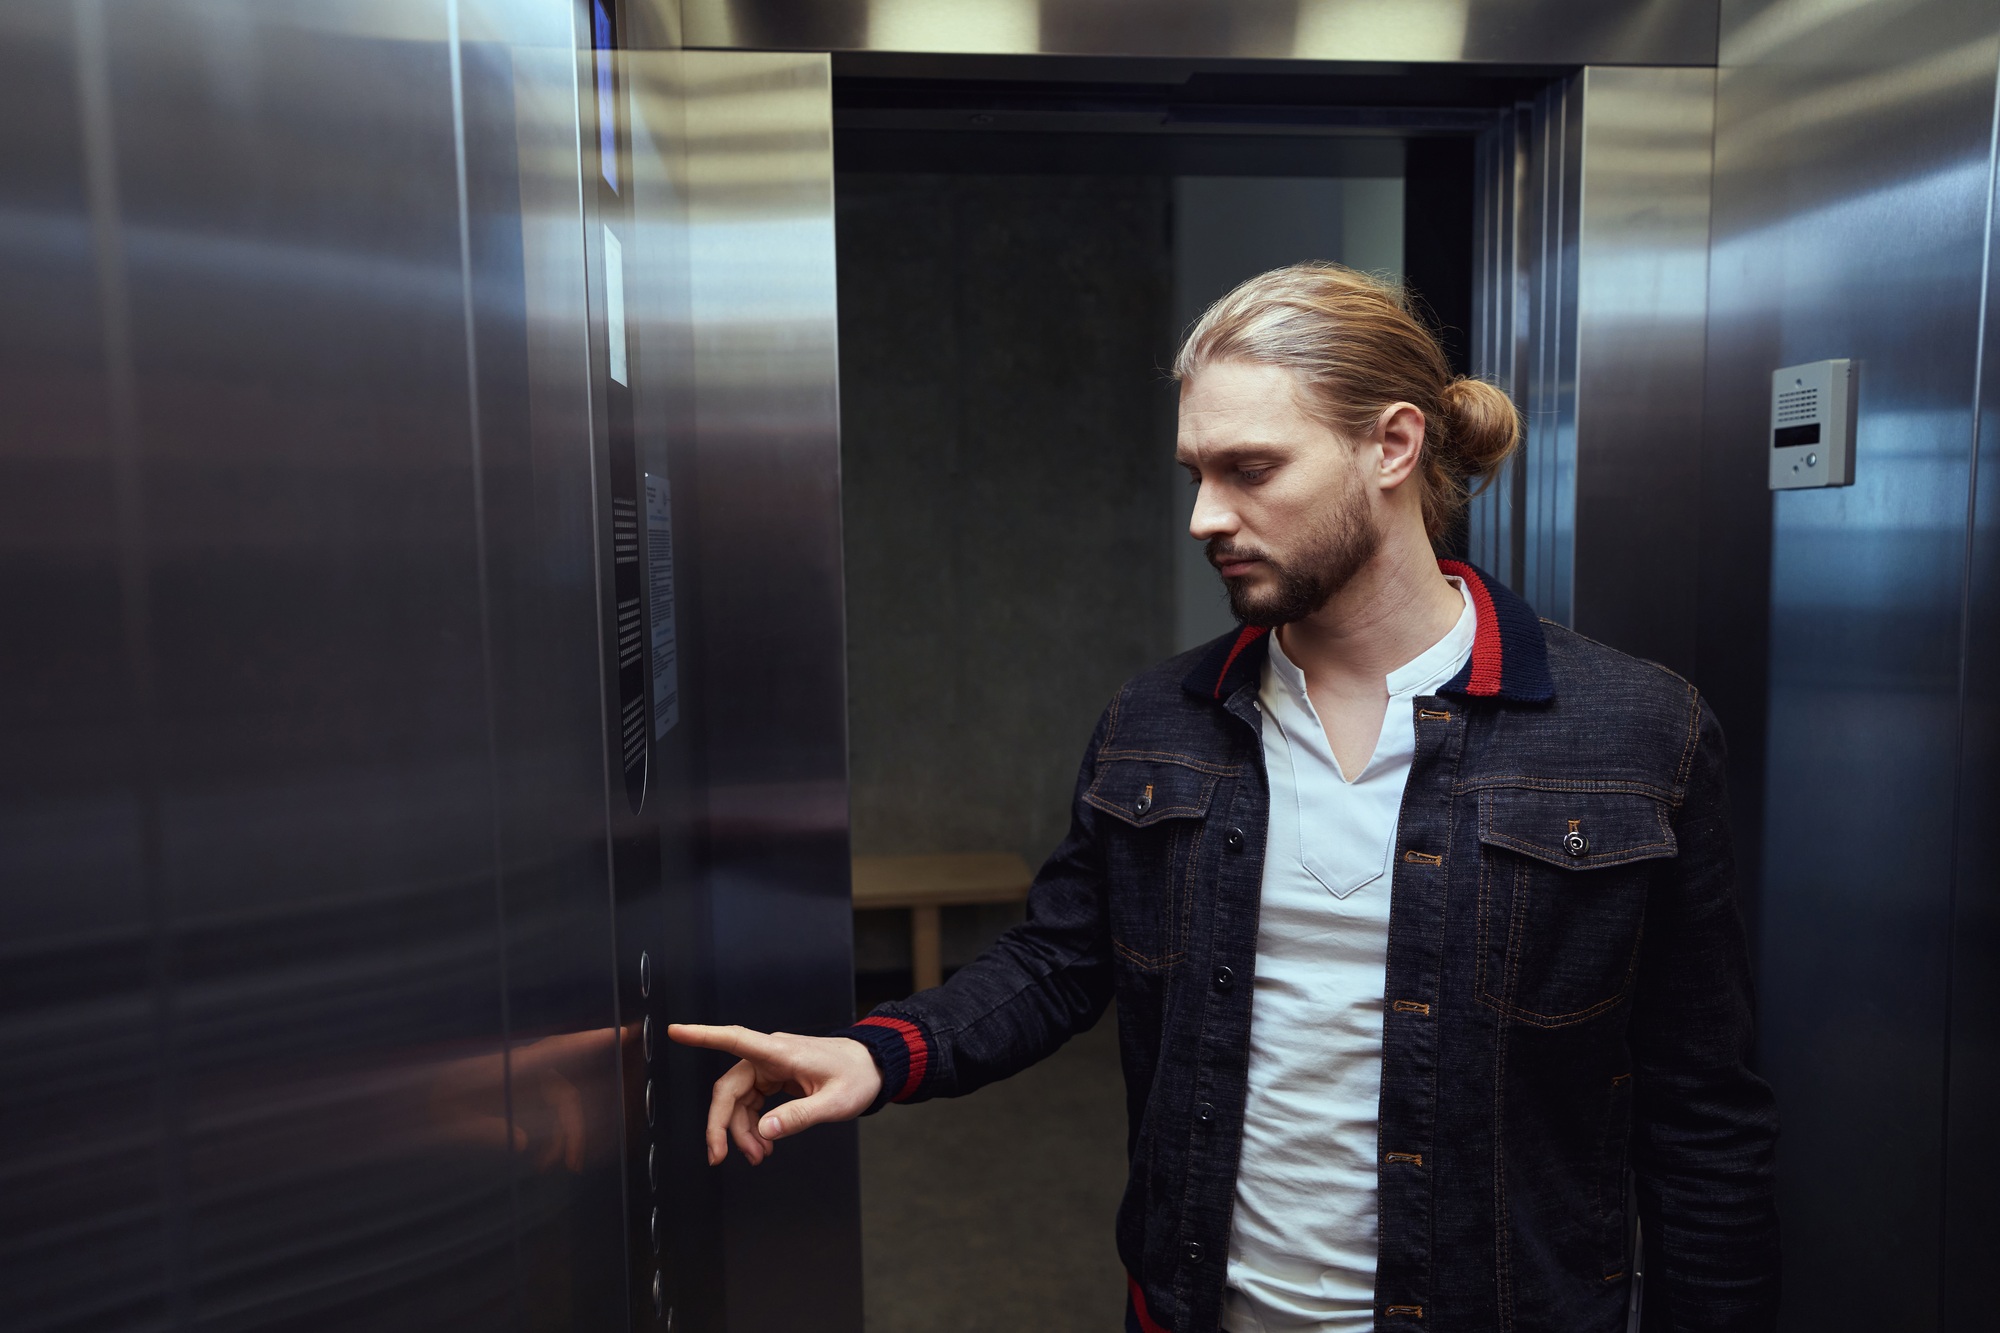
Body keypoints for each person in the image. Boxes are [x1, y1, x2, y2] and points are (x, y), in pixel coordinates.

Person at [671, 263, 1779, 1332]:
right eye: (1195, 474)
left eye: (1250, 469)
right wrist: (879, 1051)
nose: (1205, 516)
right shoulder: (1160, 719)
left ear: (1392, 446)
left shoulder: (1636, 730)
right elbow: (1060, 958)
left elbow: (1703, 1110)